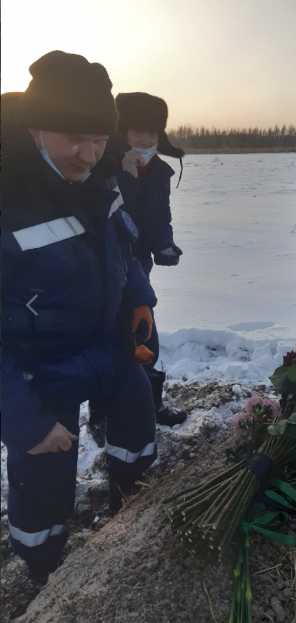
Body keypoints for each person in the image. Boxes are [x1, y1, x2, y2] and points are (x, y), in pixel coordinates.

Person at [2, 51, 159, 585]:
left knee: (138, 423)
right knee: (44, 475)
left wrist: (139, 299)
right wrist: (23, 420)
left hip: (106, 344)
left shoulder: (100, 177)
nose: (89, 154)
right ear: (35, 127)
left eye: (98, 139)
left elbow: (121, 249)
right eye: (75, 138)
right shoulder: (8, 197)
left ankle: (130, 507)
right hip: (39, 367)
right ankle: (44, 570)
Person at [87, 92, 187, 445]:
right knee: (109, 338)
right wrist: (126, 177)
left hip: (139, 267)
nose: (146, 140)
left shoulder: (159, 171)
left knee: (145, 333)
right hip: (106, 268)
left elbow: (161, 217)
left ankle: (151, 404)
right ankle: (100, 413)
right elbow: (107, 217)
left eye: (153, 133)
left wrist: (164, 243)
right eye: (138, 132)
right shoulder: (103, 166)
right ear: (122, 133)